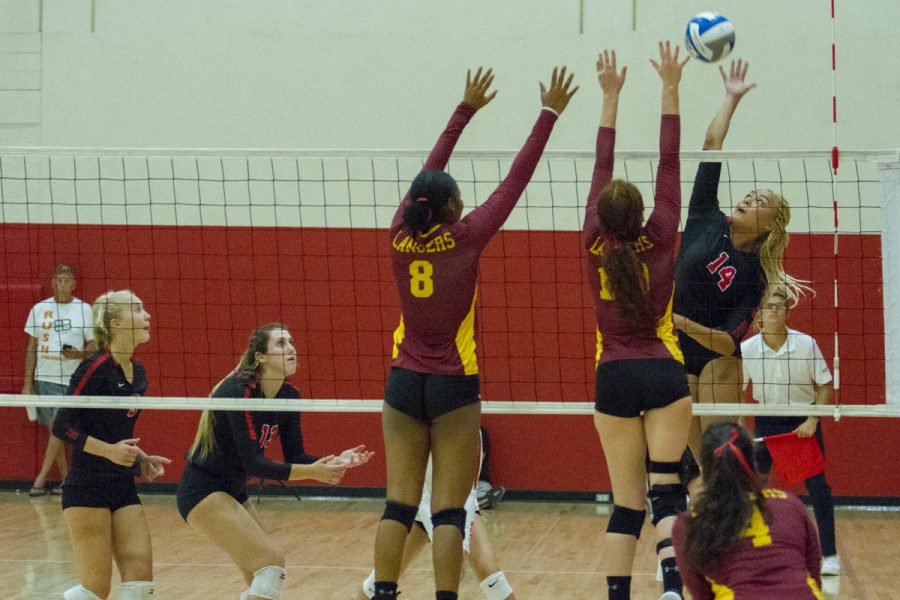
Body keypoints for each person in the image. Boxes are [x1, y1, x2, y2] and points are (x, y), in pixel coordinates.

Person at [373, 66, 577, 600]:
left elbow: (428, 171)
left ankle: (384, 594)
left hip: (402, 383)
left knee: (398, 503)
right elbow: (516, 179)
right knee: (447, 510)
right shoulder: (467, 237)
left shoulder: (398, 234)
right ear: (450, 210)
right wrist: (548, 114)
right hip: (452, 385)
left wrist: (463, 111)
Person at [671, 59, 808, 490]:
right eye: (751, 193)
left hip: (714, 358)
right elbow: (711, 143)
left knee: (721, 457)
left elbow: (731, 341)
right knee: (692, 462)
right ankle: (703, 539)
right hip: (675, 348)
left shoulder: (754, 277)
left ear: (770, 225)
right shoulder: (706, 215)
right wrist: (730, 99)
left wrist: (680, 321)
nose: (751, 196)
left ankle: (748, 508)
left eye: (761, 198)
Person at [585, 45, 690, 600]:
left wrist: (609, 97)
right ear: (644, 209)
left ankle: (619, 596)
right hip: (665, 375)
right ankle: (673, 588)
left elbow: (602, 164)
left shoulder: (592, 241)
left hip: (615, 377)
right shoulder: (666, 228)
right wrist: (670, 87)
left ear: (600, 214)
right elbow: (669, 160)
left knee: (626, 504)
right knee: (667, 492)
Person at [176, 323, 374, 600]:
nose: (291, 348)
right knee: (271, 566)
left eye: (291, 342)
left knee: (258, 578)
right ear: (261, 357)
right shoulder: (239, 391)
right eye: (281, 344)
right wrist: (313, 473)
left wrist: (336, 461)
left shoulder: (288, 396)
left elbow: (297, 457)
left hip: (233, 490)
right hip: (202, 489)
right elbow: (254, 465)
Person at [53, 290, 170, 600]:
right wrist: (110, 451)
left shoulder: (138, 372)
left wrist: (138, 457)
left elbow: (115, 428)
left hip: (121, 483)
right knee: (95, 589)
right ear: (116, 323)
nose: (147, 316)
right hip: (87, 485)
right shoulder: (95, 368)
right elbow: (62, 426)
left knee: (141, 584)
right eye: (138, 310)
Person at [741, 285, 839, 575]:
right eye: (768, 306)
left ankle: (830, 555)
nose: (773, 310)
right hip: (766, 420)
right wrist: (738, 425)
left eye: (779, 306)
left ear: (787, 312)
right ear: (759, 314)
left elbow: (824, 385)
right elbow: (735, 389)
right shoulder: (747, 349)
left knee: (819, 488)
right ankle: (744, 551)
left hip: (802, 421)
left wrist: (812, 419)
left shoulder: (805, 344)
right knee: (750, 487)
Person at [672, 422, 824, 599]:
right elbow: (814, 572)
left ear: (705, 470)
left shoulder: (689, 524)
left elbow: (702, 595)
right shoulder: (790, 504)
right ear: (752, 460)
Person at [359, 434, 516, 600]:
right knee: (381, 578)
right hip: (419, 502)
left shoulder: (468, 421)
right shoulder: (415, 424)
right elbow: (423, 494)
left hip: (455, 502)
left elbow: (471, 490)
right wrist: (449, 545)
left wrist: (461, 545)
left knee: (490, 574)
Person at [22, 264, 96, 496]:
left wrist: (77, 355)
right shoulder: (38, 309)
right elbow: (31, 347)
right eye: (59, 280)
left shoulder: (84, 309)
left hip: (70, 380)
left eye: (67, 280)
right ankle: (66, 481)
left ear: (74, 284)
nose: (62, 284)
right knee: (56, 430)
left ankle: (41, 478)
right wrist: (26, 383)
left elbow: (94, 348)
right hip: (44, 377)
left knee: (58, 428)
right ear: (53, 282)